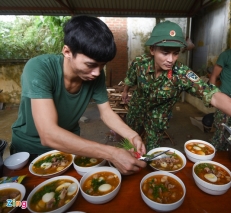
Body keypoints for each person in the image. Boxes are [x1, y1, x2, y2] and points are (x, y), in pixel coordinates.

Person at [122, 21, 231, 151]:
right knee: (130, 142)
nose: (171, 60)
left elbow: (214, 95)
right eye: (165, 52)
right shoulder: (139, 64)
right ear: (152, 50)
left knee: (152, 151)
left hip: (158, 117)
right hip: (137, 107)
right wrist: (125, 91)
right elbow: (130, 79)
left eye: (175, 53)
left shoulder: (182, 74)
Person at [10, 15, 147, 175]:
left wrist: (133, 136)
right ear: (67, 51)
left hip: (71, 147)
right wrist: (112, 153)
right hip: (29, 151)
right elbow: (48, 134)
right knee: (22, 200)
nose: (97, 73)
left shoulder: (95, 75)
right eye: (90, 65)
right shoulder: (40, 68)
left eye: (102, 65)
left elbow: (106, 113)